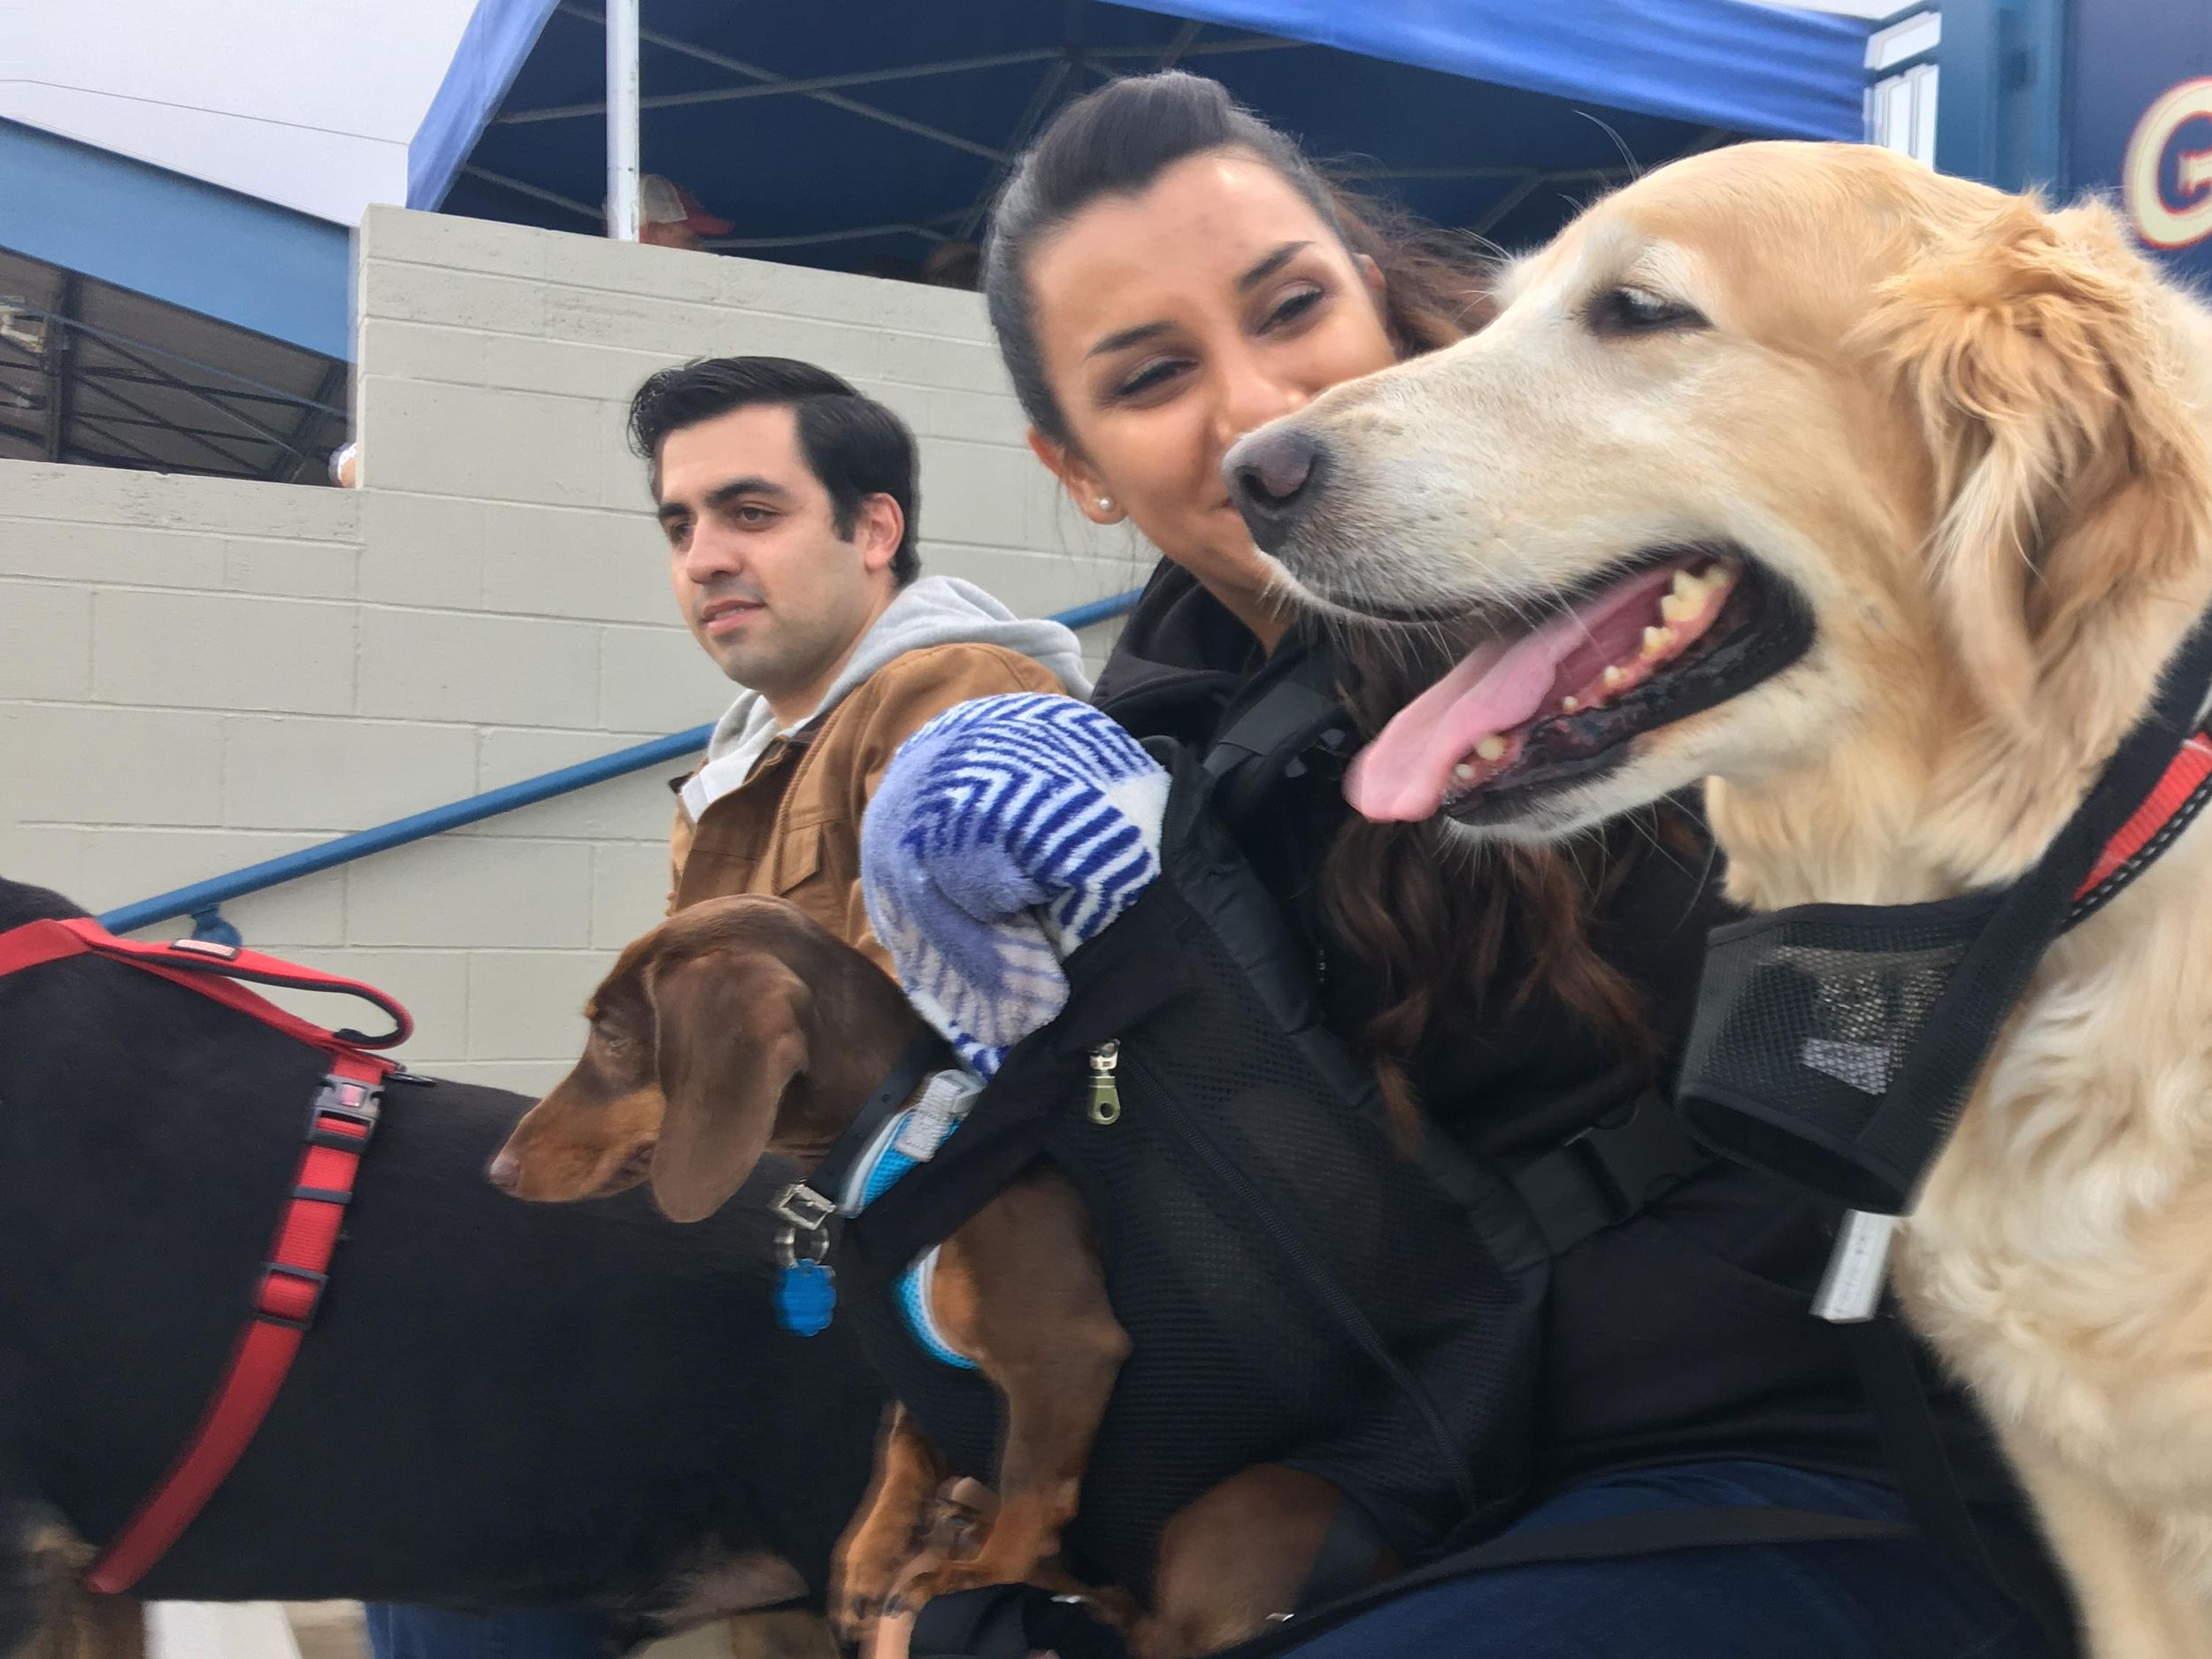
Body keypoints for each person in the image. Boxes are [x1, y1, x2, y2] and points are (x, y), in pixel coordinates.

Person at [867, 71, 2063, 1659]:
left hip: (1849, 1452)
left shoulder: (1689, 562)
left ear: (1372, 291)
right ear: (1077, 467)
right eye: (1154, 376)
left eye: (1290, 306)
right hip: (1444, 1485)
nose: (1260, 410)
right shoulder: (1135, 790)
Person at [368, 357, 1088, 1659]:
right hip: (792, 1310)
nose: (705, 557)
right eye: (680, 524)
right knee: (431, 1495)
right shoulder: (736, 767)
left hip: (923, 1347)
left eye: (751, 513)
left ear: (874, 529)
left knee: (466, 1544)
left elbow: (957, 1104)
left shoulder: (959, 708)